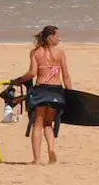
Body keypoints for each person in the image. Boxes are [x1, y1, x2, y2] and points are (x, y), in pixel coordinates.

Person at [18, 24, 73, 166]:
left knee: (37, 124)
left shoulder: (35, 52)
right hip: (56, 91)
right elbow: (66, 76)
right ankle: (51, 148)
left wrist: (17, 80)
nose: (60, 38)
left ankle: (36, 160)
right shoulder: (60, 53)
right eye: (57, 36)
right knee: (48, 124)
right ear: (50, 37)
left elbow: (32, 73)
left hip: (41, 90)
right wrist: (71, 93)